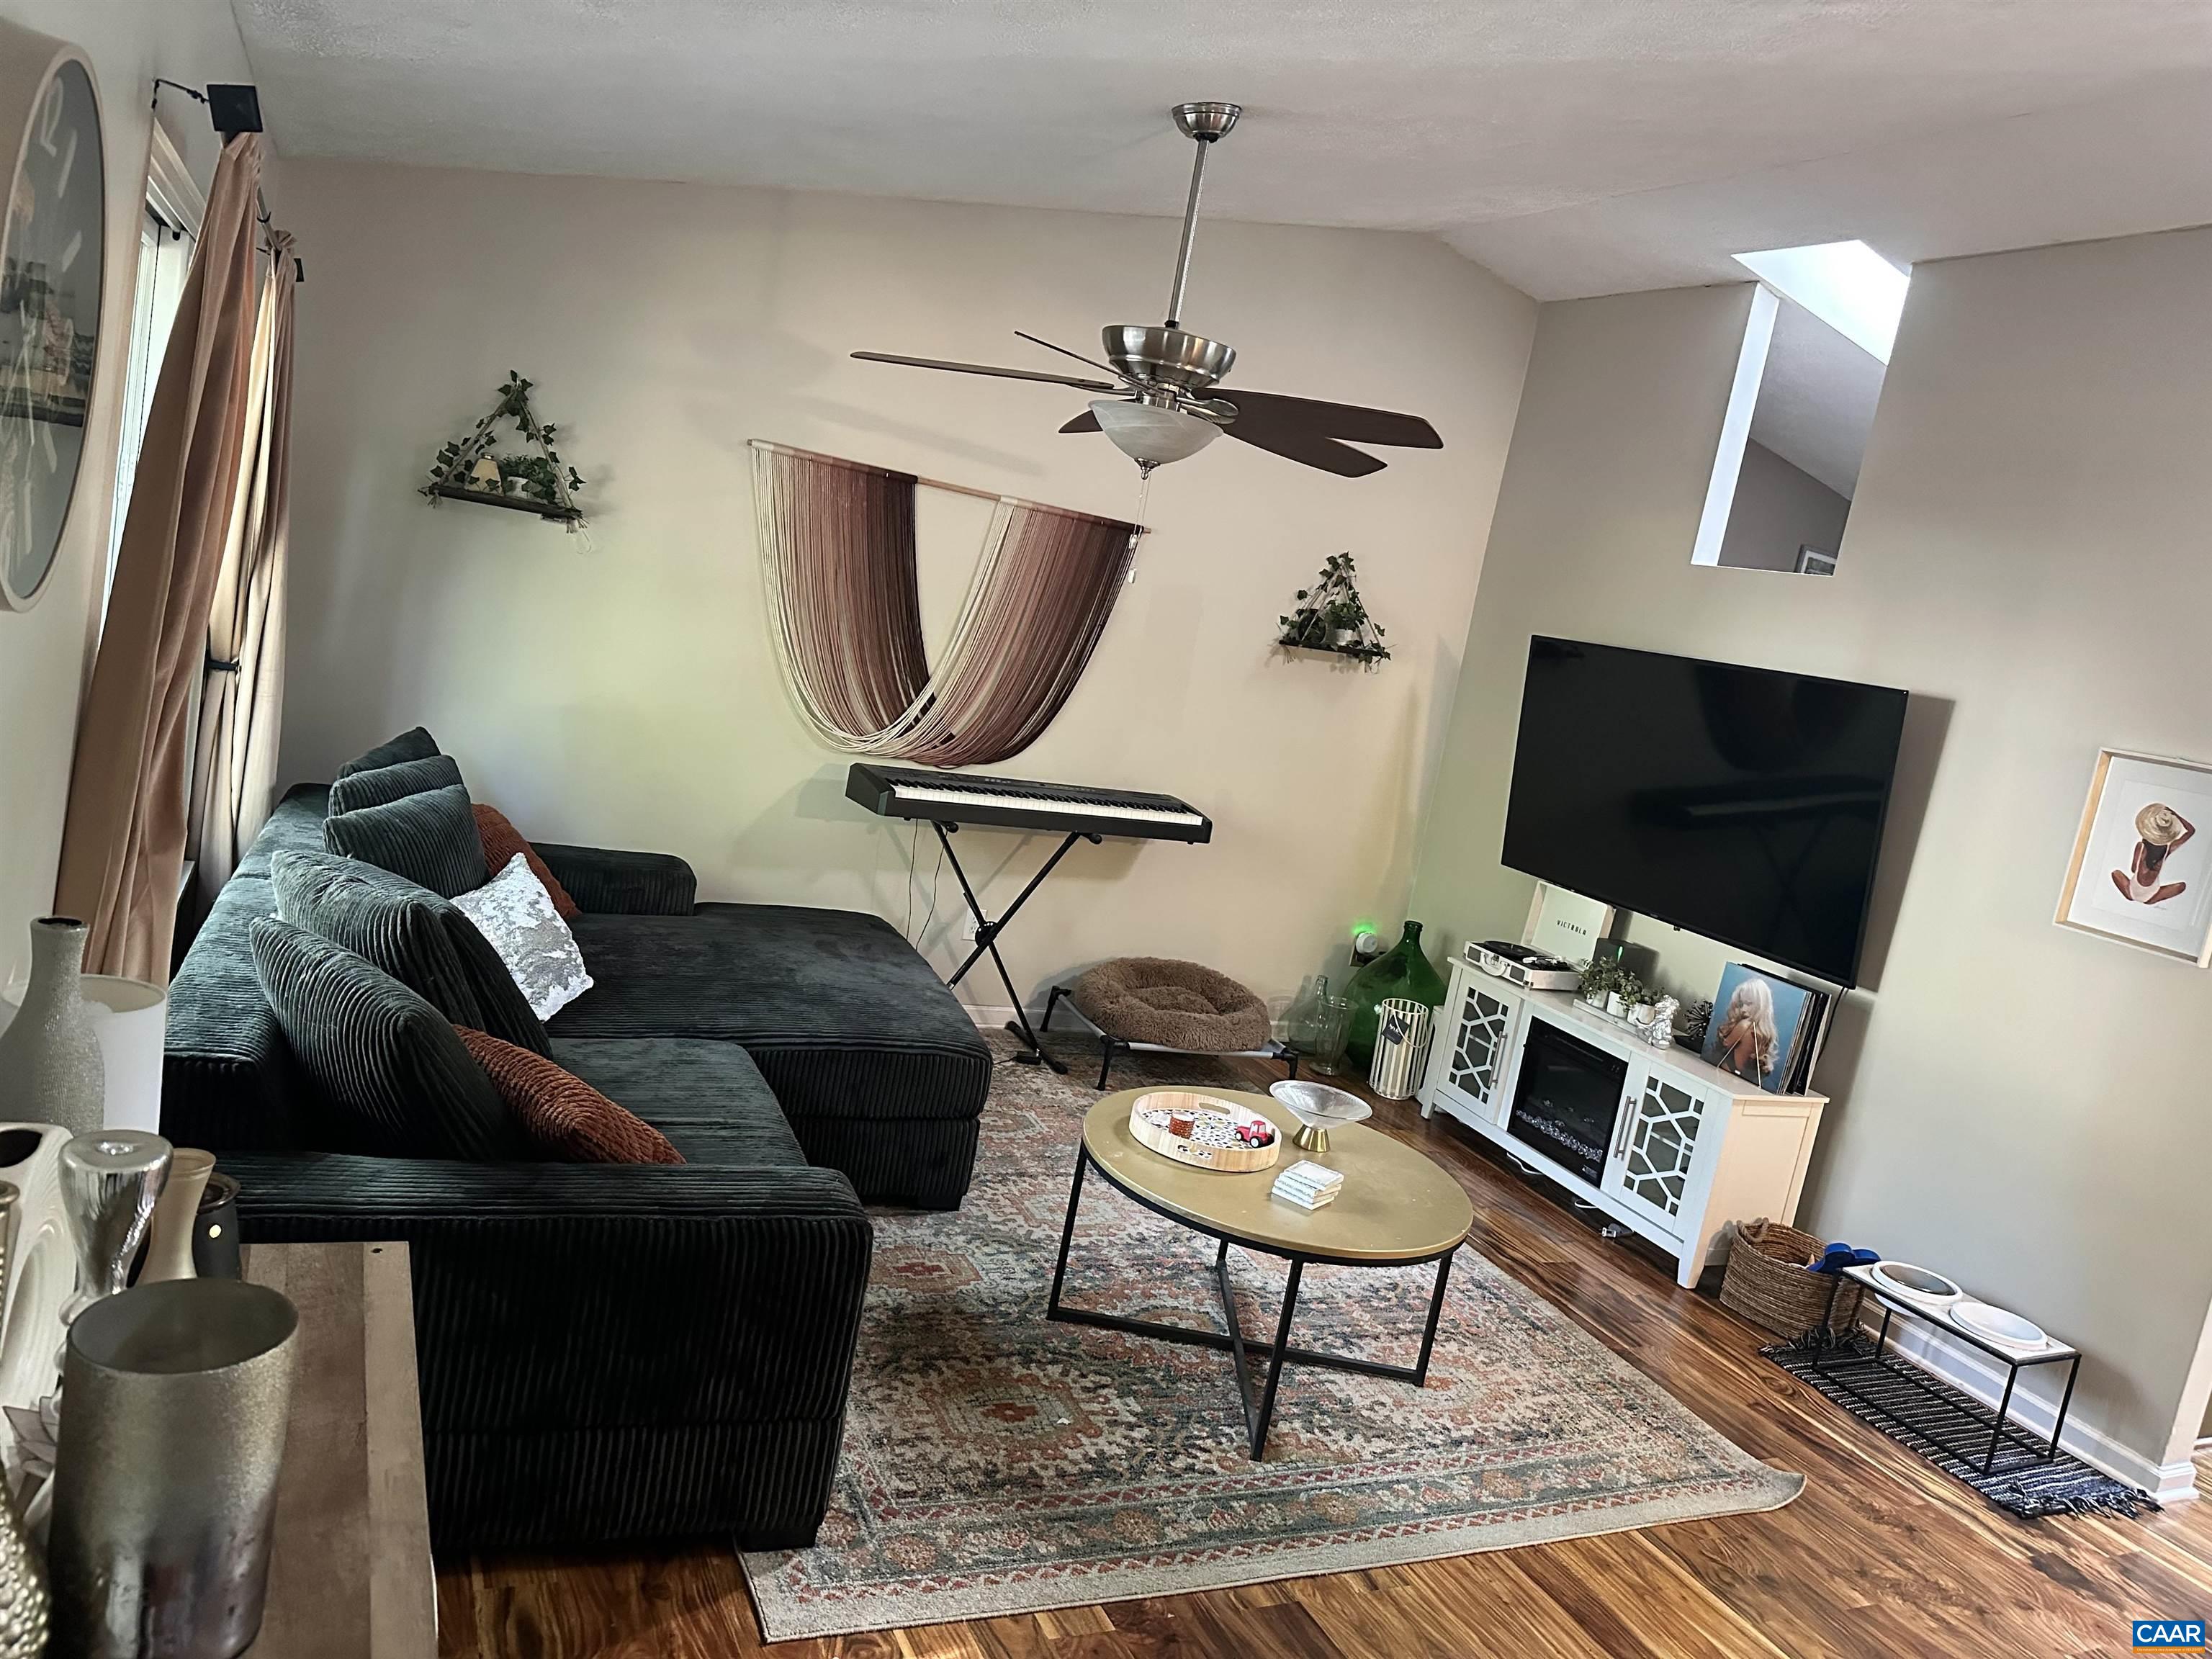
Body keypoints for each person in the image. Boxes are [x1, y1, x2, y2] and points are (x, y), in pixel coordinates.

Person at [2111, 802, 2194, 906]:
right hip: (2151, 897)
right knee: (2182, 886)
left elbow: (2133, 869)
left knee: (2115, 873)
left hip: (2131, 892)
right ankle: (2152, 899)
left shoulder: (2140, 847)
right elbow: (2191, 831)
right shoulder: (2168, 849)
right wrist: (2175, 814)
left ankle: (2137, 896)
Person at [1712, 974, 1778, 1086]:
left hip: (1725, 1074)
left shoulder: (1744, 1025)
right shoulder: (1765, 1032)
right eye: (1742, 1004)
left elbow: (1723, 1046)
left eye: (1748, 1004)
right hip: (1743, 1080)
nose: (1743, 1009)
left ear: (1761, 1005)